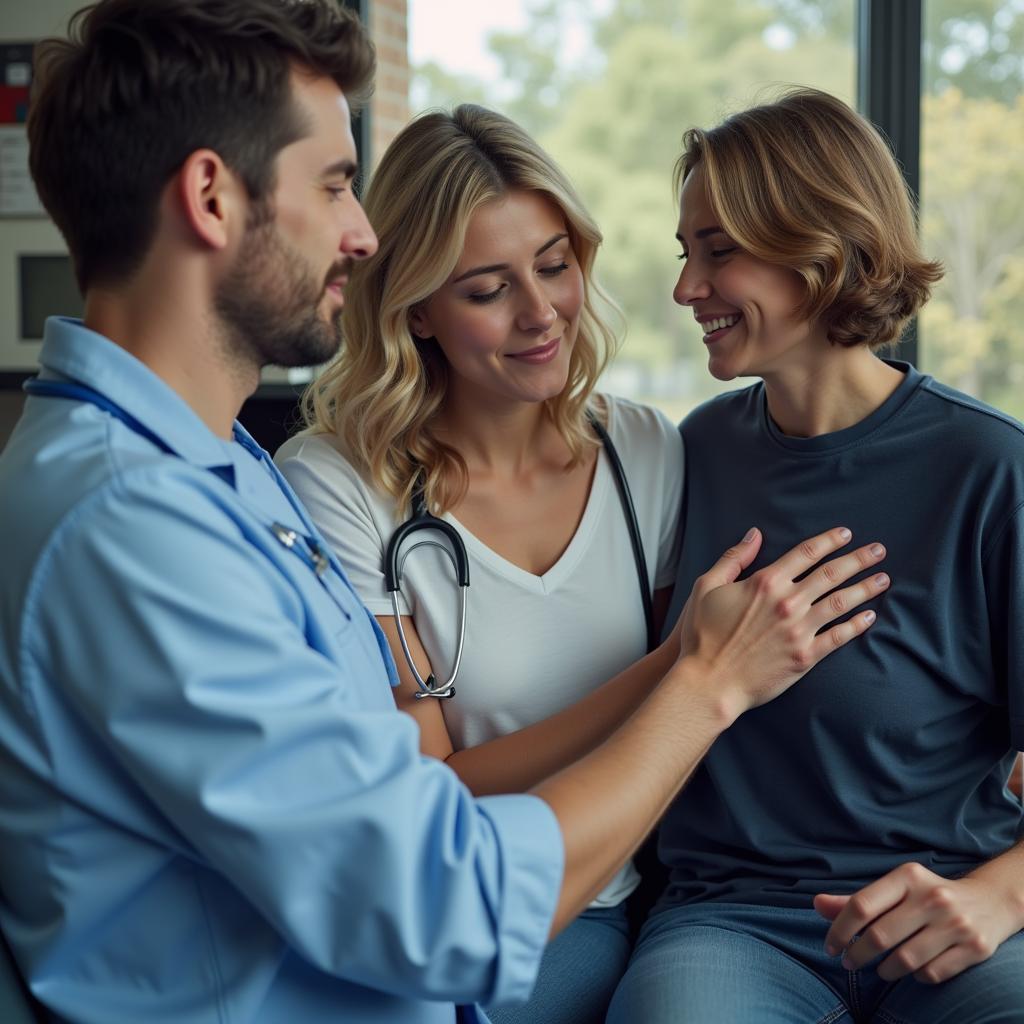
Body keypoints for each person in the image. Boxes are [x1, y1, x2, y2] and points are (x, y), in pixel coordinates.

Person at [0, 0, 883, 1014]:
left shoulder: (216, 474)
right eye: (334, 182)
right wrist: (701, 679)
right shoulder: (135, 526)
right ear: (209, 195)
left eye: (554, 266)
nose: (361, 232)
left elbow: (391, 791)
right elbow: (437, 897)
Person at [606, 87, 1024, 1024]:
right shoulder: (693, 453)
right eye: (686, 254)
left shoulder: (988, 467)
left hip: (951, 910)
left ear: (820, 248)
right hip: (734, 924)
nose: (685, 289)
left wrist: (1000, 897)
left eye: (719, 250)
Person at [277, 102, 694, 1023]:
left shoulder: (646, 455)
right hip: (474, 893)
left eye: (554, 265)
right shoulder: (342, 486)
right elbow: (432, 786)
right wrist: (682, 671)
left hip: (635, 898)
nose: (540, 312)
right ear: (416, 309)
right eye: (487, 289)